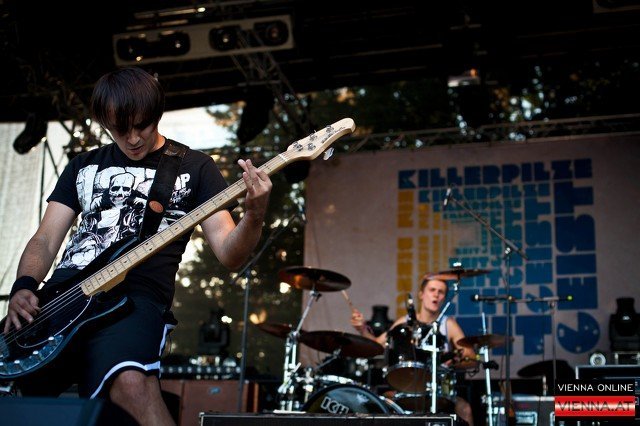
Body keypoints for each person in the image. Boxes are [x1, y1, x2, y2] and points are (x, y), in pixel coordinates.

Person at [2, 66, 272, 425]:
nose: (132, 139)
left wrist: (254, 216)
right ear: (103, 123)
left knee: (131, 384)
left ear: (157, 113)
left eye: (142, 125)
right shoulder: (83, 166)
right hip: (60, 301)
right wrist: (24, 286)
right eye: (120, 129)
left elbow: (229, 253)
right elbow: (46, 239)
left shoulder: (196, 167)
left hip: (133, 299)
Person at [351, 275, 476, 426]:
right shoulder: (404, 322)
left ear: (444, 298)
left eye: (441, 292)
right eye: (432, 290)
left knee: (465, 409)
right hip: (405, 388)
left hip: (437, 390)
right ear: (421, 294)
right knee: (381, 403)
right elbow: (378, 345)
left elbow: (470, 357)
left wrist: (455, 360)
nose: (436, 295)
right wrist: (363, 329)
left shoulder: (448, 324)